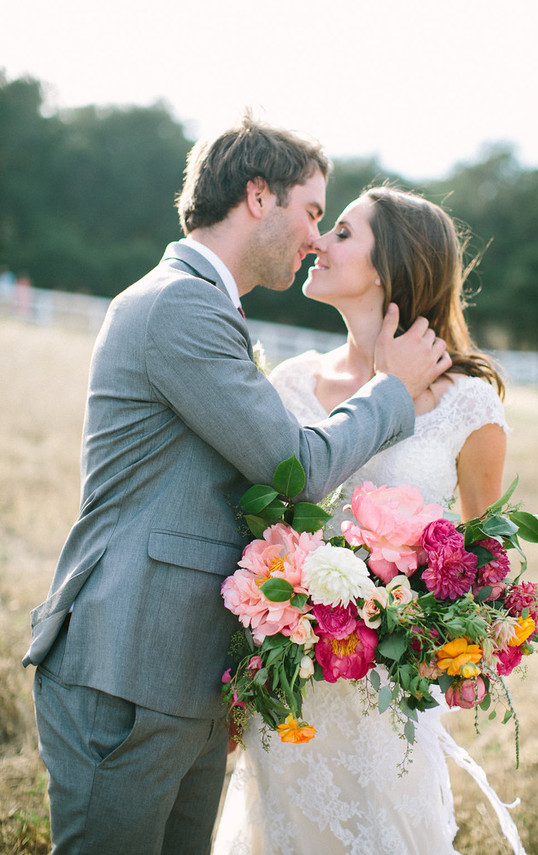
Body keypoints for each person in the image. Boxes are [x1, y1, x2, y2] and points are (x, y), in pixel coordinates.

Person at [22, 121, 450, 855]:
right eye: (314, 212)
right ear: (258, 196)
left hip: (181, 673)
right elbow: (293, 467)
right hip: (126, 663)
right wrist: (392, 392)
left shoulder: (204, 305)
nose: (316, 237)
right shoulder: (179, 305)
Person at [213, 186, 526, 855]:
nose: (319, 242)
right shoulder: (290, 384)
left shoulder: (468, 405)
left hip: (390, 698)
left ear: (389, 266)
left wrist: (461, 651)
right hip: (292, 691)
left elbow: (483, 563)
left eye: (344, 232)